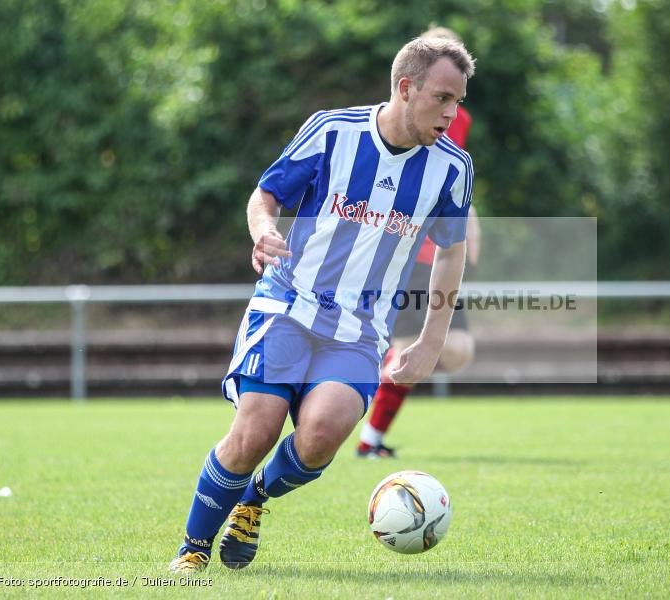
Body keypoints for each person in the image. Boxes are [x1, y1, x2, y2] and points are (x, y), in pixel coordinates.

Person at [168, 35, 476, 573]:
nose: (452, 113)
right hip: (287, 303)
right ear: (406, 89)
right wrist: (263, 230)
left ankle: (253, 500)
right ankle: (191, 550)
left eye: (459, 100)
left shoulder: (452, 168)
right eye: (442, 98)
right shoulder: (334, 131)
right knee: (256, 430)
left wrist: (431, 341)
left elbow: (452, 252)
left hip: (360, 328)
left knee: (321, 435)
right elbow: (265, 194)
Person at [356, 26, 481, 459]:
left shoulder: (456, 120)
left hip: (439, 250)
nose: (449, 107)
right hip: (414, 253)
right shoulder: (394, 117)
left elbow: (451, 183)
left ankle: (369, 407)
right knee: (413, 349)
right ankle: (368, 435)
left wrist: (467, 230)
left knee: (455, 351)